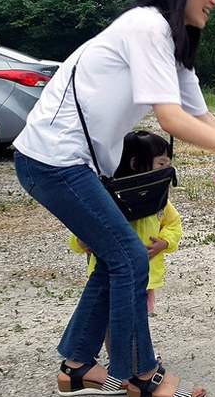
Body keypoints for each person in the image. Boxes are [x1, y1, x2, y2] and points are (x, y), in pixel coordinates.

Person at [13, 0, 215, 397]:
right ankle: (141, 378)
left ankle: (77, 367)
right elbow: (171, 120)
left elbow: (199, 115)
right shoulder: (146, 26)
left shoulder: (169, 42)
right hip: (53, 160)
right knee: (131, 259)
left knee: (117, 258)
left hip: (72, 164)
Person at [70, 131, 181, 318]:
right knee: (108, 319)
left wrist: (165, 242)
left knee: (136, 320)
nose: (166, 170)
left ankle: (132, 347)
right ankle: (118, 348)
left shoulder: (159, 201)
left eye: (169, 165)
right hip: (108, 276)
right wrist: (82, 242)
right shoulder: (108, 198)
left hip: (144, 277)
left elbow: (173, 223)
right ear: (135, 164)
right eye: (161, 164)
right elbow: (82, 226)